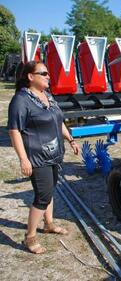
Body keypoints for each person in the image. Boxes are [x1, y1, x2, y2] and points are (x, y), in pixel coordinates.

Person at [8, 61, 80, 254]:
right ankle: (29, 237)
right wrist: (23, 159)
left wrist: (71, 139)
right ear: (30, 77)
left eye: (48, 73)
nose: (49, 76)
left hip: (54, 154)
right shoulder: (21, 100)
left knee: (50, 190)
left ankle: (48, 224)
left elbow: (59, 121)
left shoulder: (47, 95)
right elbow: (14, 131)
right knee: (43, 195)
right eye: (44, 73)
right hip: (37, 157)